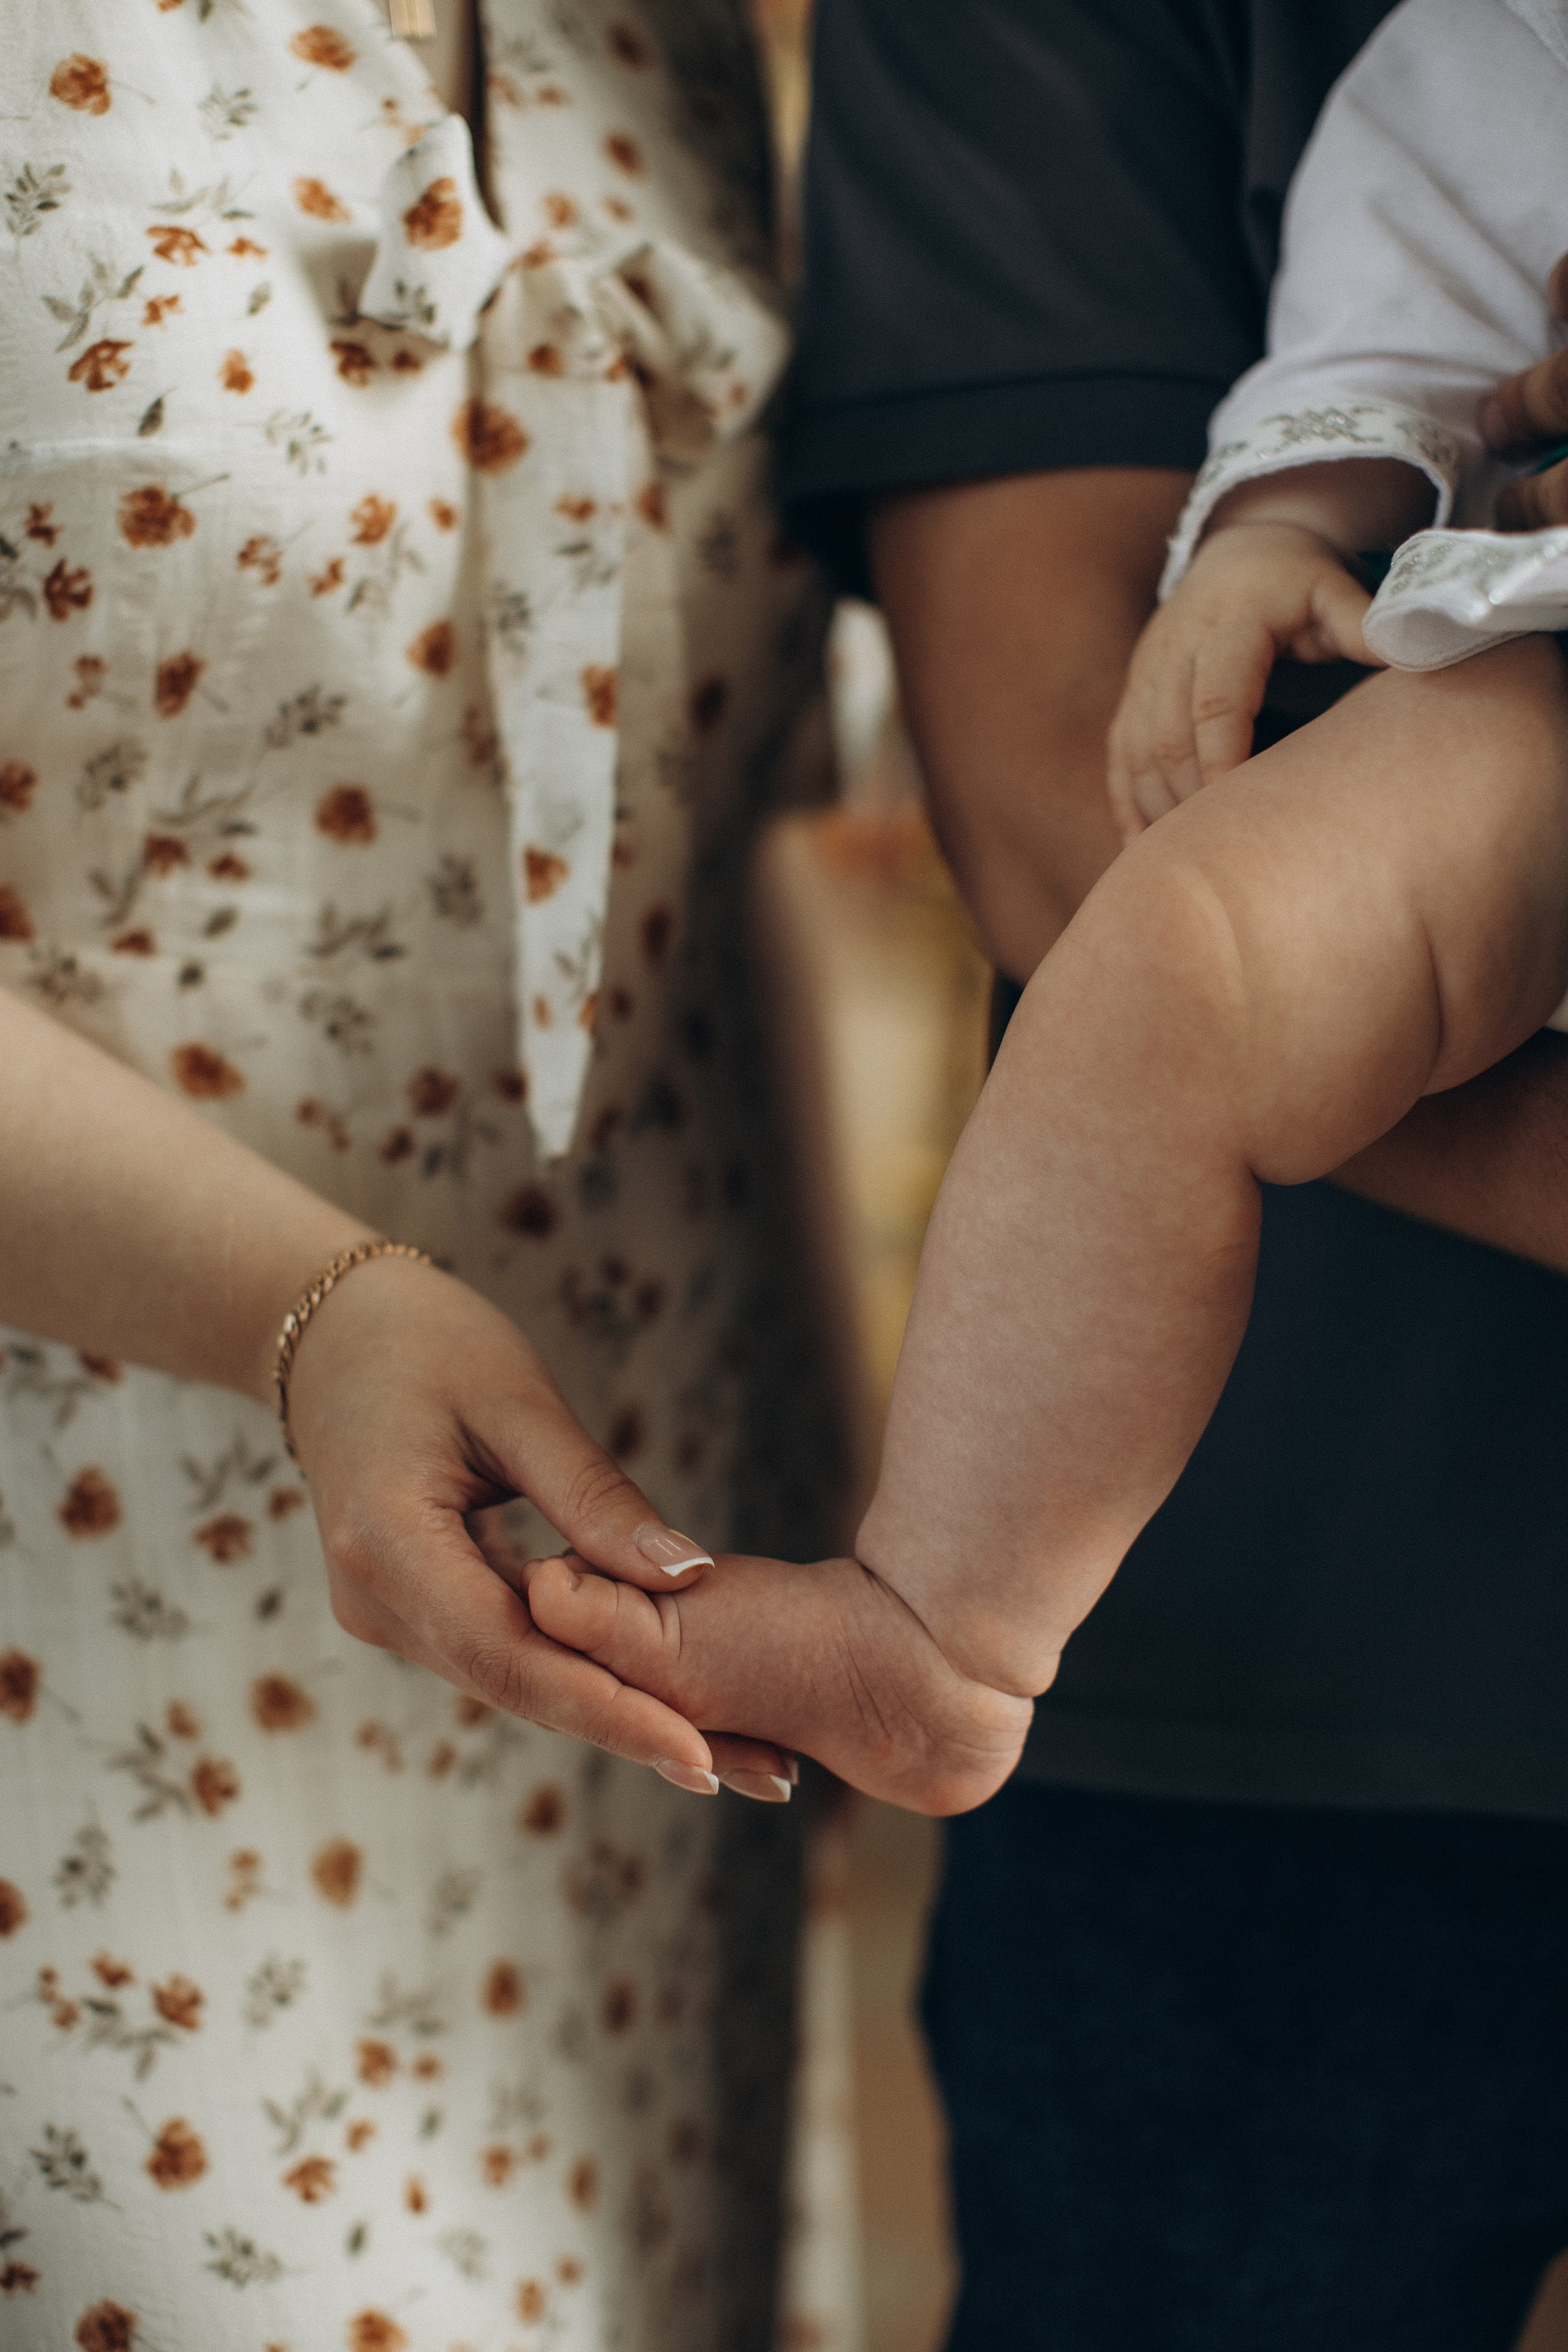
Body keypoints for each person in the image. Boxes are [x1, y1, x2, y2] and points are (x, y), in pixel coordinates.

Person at [535, 3, 1568, 2345]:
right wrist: (1291, 526)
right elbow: (1413, 260)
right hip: (1539, 679)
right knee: (1183, 947)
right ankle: (950, 1628)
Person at [0, 6, 839, 2348]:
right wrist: (321, 1308)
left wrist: (852, 1504)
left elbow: (679, 828)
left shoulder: (672, 35)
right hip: (84, 1607)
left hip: (615, 1633)